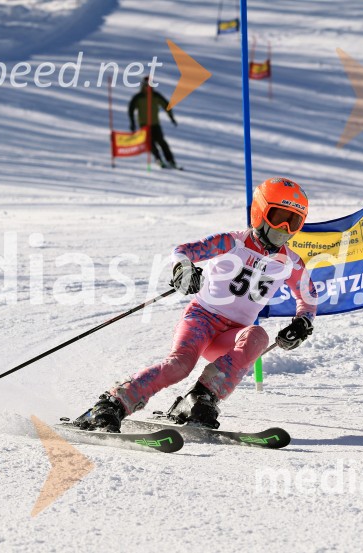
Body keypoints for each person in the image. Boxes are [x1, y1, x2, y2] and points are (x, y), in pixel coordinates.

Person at [74, 177, 318, 432]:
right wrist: (184, 269)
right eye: (278, 216)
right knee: (179, 366)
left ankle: (201, 398)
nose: (283, 228)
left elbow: (308, 296)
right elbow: (183, 251)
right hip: (202, 320)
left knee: (257, 336)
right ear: (259, 212)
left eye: (293, 221)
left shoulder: (290, 262)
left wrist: (303, 322)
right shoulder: (232, 242)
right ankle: (114, 403)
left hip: (231, 336)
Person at [128, 77, 179, 169]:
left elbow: (166, 105)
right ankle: (158, 159)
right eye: (146, 85)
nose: (148, 87)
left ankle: (170, 160)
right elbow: (131, 109)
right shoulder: (139, 97)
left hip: (155, 123)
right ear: (143, 86)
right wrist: (132, 123)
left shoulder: (155, 96)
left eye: (150, 85)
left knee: (162, 142)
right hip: (144, 124)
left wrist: (171, 118)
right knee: (150, 143)